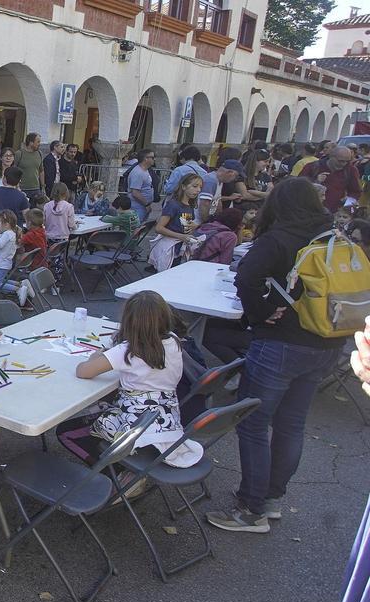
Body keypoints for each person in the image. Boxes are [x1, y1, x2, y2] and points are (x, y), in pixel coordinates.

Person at [206, 178, 346, 533]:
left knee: (253, 423)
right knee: (291, 424)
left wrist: (261, 311)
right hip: (326, 342)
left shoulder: (278, 238)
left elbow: (246, 276)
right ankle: (269, 498)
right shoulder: (331, 236)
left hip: (282, 343)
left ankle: (252, 509)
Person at [75, 291, 201, 469]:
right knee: (103, 404)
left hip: (135, 429)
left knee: (68, 430)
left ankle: (118, 474)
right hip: (167, 424)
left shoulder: (128, 350)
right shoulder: (173, 340)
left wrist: (96, 355)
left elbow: (83, 371)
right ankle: (125, 469)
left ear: (128, 321)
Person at [149, 173, 203, 272]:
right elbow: (159, 228)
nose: (198, 190)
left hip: (180, 249)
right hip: (169, 248)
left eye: (200, 187)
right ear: (183, 186)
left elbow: (186, 227)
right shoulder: (173, 205)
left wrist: (193, 228)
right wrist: (181, 236)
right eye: (195, 186)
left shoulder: (190, 206)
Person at [0, 210, 32, 304]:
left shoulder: (6, 234)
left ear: (6, 224)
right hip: (5, 263)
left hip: (1, 263)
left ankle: (17, 289)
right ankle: (20, 284)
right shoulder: (12, 233)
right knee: (3, 280)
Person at [301, 146, 363, 213]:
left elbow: (355, 192)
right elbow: (298, 186)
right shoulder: (313, 167)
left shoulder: (351, 170)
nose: (343, 164)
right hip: (310, 211)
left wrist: (348, 202)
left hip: (335, 212)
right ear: (331, 156)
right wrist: (315, 181)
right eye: (340, 161)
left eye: (347, 161)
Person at [126, 148, 156, 225]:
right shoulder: (138, 173)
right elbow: (135, 193)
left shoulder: (145, 170)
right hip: (137, 206)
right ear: (145, 159)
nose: (154, 159)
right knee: (134, 229)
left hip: (142, 206)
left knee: (139, 228)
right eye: (152, 157)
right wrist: (146, 204)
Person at [16, 132, 44, 199]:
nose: (39, 144)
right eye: (38, 142)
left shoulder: (39, 153)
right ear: (31, 142)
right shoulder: (19, 154)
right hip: (22, 188)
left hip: (36, 189)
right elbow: (13, 170)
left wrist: (43, 186)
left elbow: (41, 171)